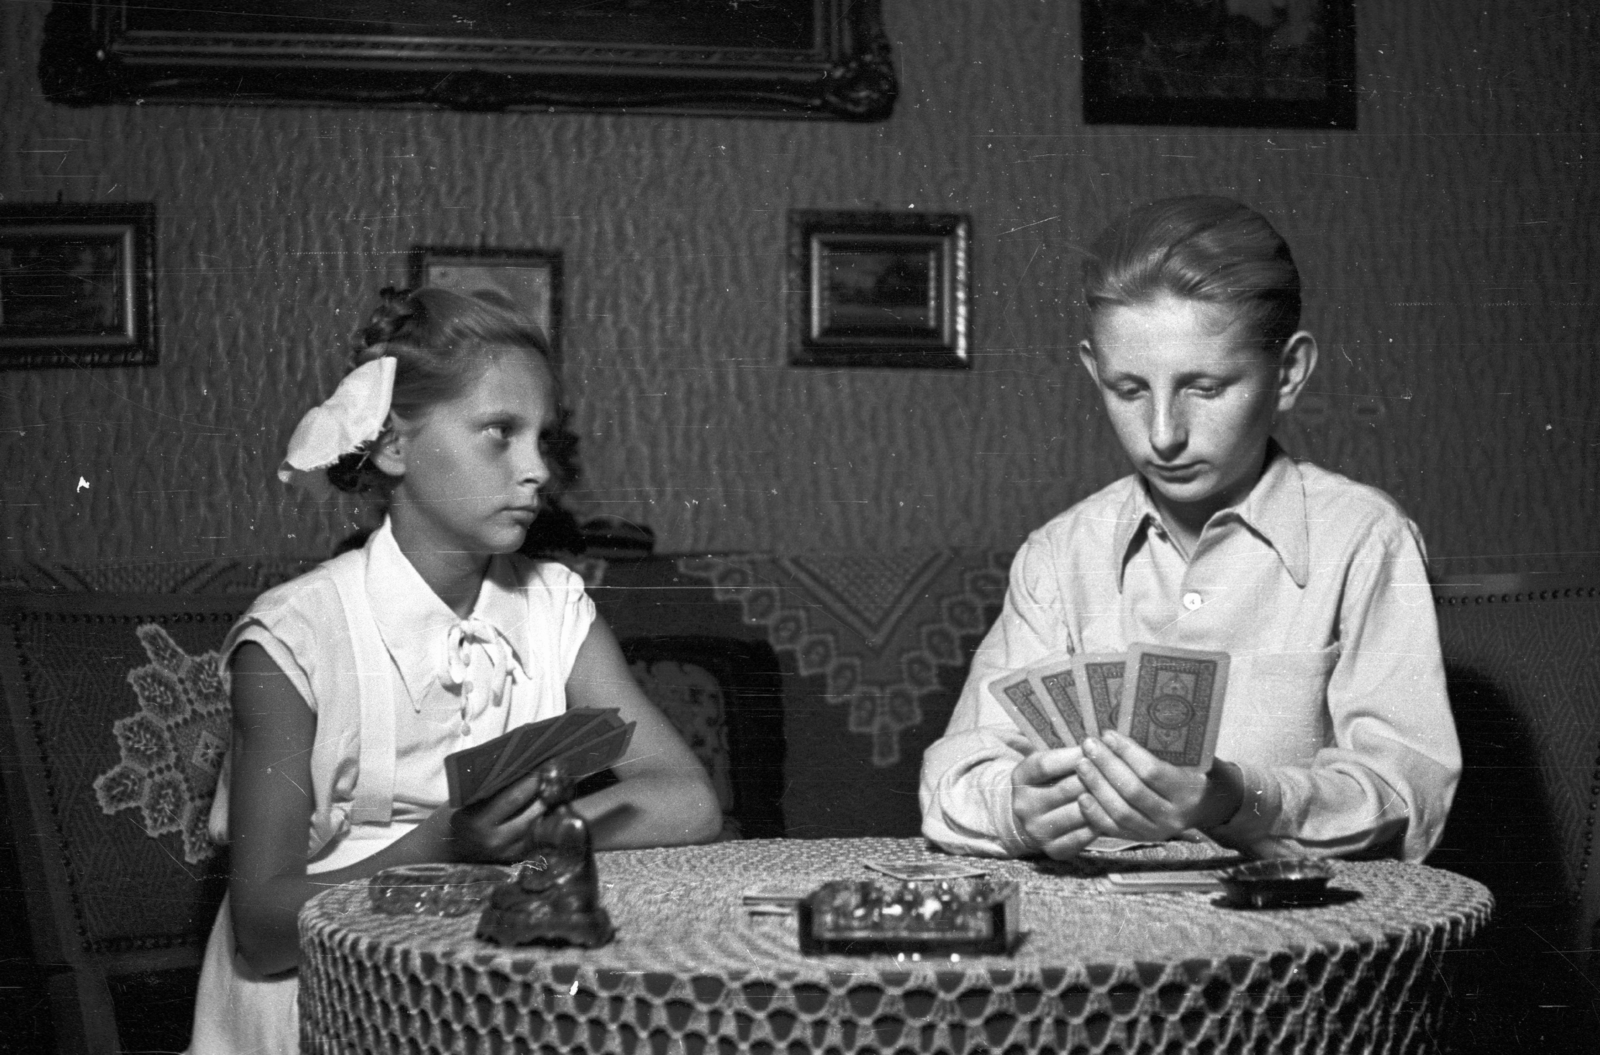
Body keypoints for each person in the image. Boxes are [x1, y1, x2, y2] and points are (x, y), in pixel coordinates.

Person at [187, 286, 721, 1054]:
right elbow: (265, 928)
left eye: (546, 438)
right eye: (500, 433)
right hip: (313, 1001)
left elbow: (688, 799)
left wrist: (528, 842)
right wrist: (445, 845)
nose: (537, 469)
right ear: (396, 446)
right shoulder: (293, 639)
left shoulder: (553, 605)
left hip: (483, 993)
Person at [920, 196, 1460, 863]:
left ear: (1288, 372)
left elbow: (1407, 793)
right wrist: (1014, 808)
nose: (1164, 434)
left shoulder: (1365, 539)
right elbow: (954, 779)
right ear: (1093, 369)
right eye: (1128, 389)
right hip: (1100, 944)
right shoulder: (1060, 556)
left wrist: (1234, 798)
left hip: (1296, 947)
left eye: (1204, 387)